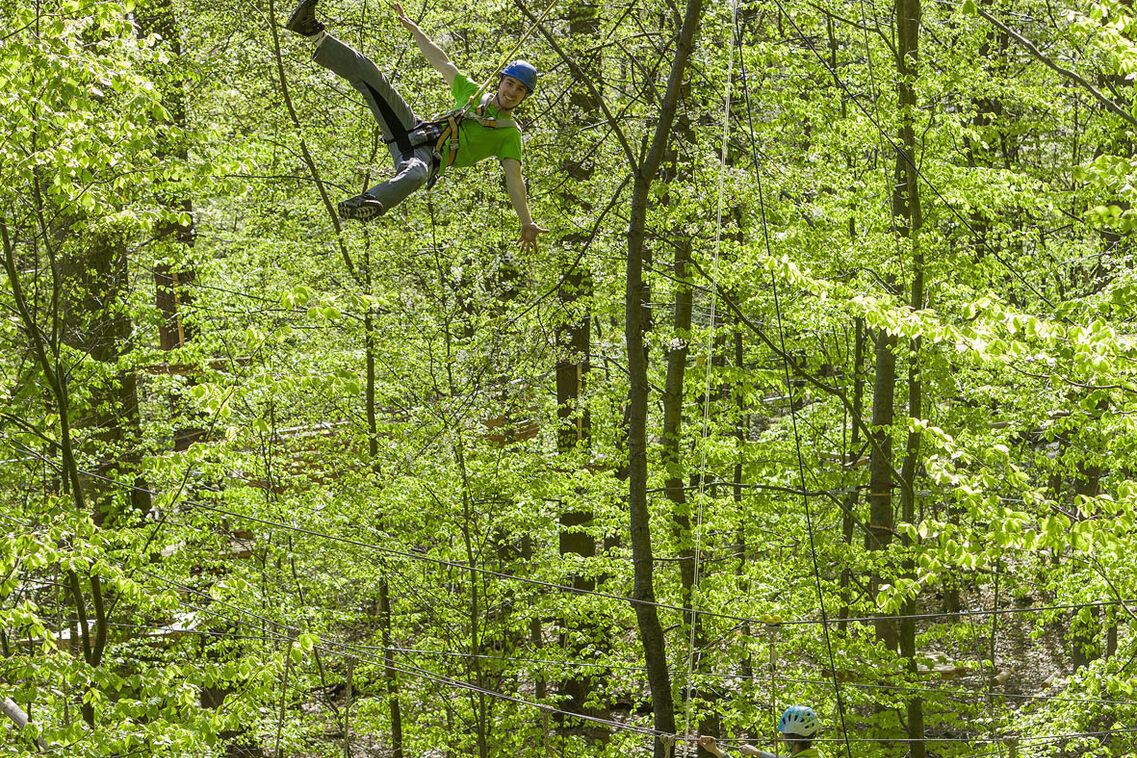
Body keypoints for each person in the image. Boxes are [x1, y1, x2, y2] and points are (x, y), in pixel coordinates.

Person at [283, 0, 549, 253]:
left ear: (525, 97)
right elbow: (442, 61)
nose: (512, 92)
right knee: (372, 76)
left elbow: (514, 179)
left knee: (415, 176)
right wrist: (418, 32)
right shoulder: (474, 94)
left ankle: (364, 203)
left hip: (425, 157)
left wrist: (525, 220)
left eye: (520, 89)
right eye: (510, 83)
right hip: (412, 128)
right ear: (501, 81)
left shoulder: (509, 134)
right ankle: (313, 32)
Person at [698, 705, 822, 758]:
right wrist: (716, 751)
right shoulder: (815, 755)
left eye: (783, 735)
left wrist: (757, 753)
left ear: (790, 738)